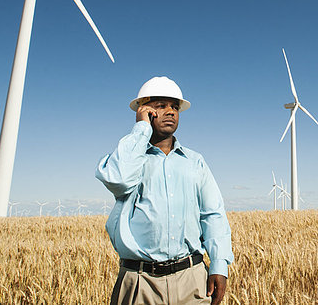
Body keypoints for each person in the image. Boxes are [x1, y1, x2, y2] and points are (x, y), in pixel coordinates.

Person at [96, 76, 233, 305]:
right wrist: (141, 129)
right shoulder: (128, 157)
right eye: (161, 106)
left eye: (175, 107)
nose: (170, 111)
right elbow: (118, 180)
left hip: (192, 279)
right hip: (140, 282)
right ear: (145, 111)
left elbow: (213, 214)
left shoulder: (194, 161)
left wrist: (219, 265)